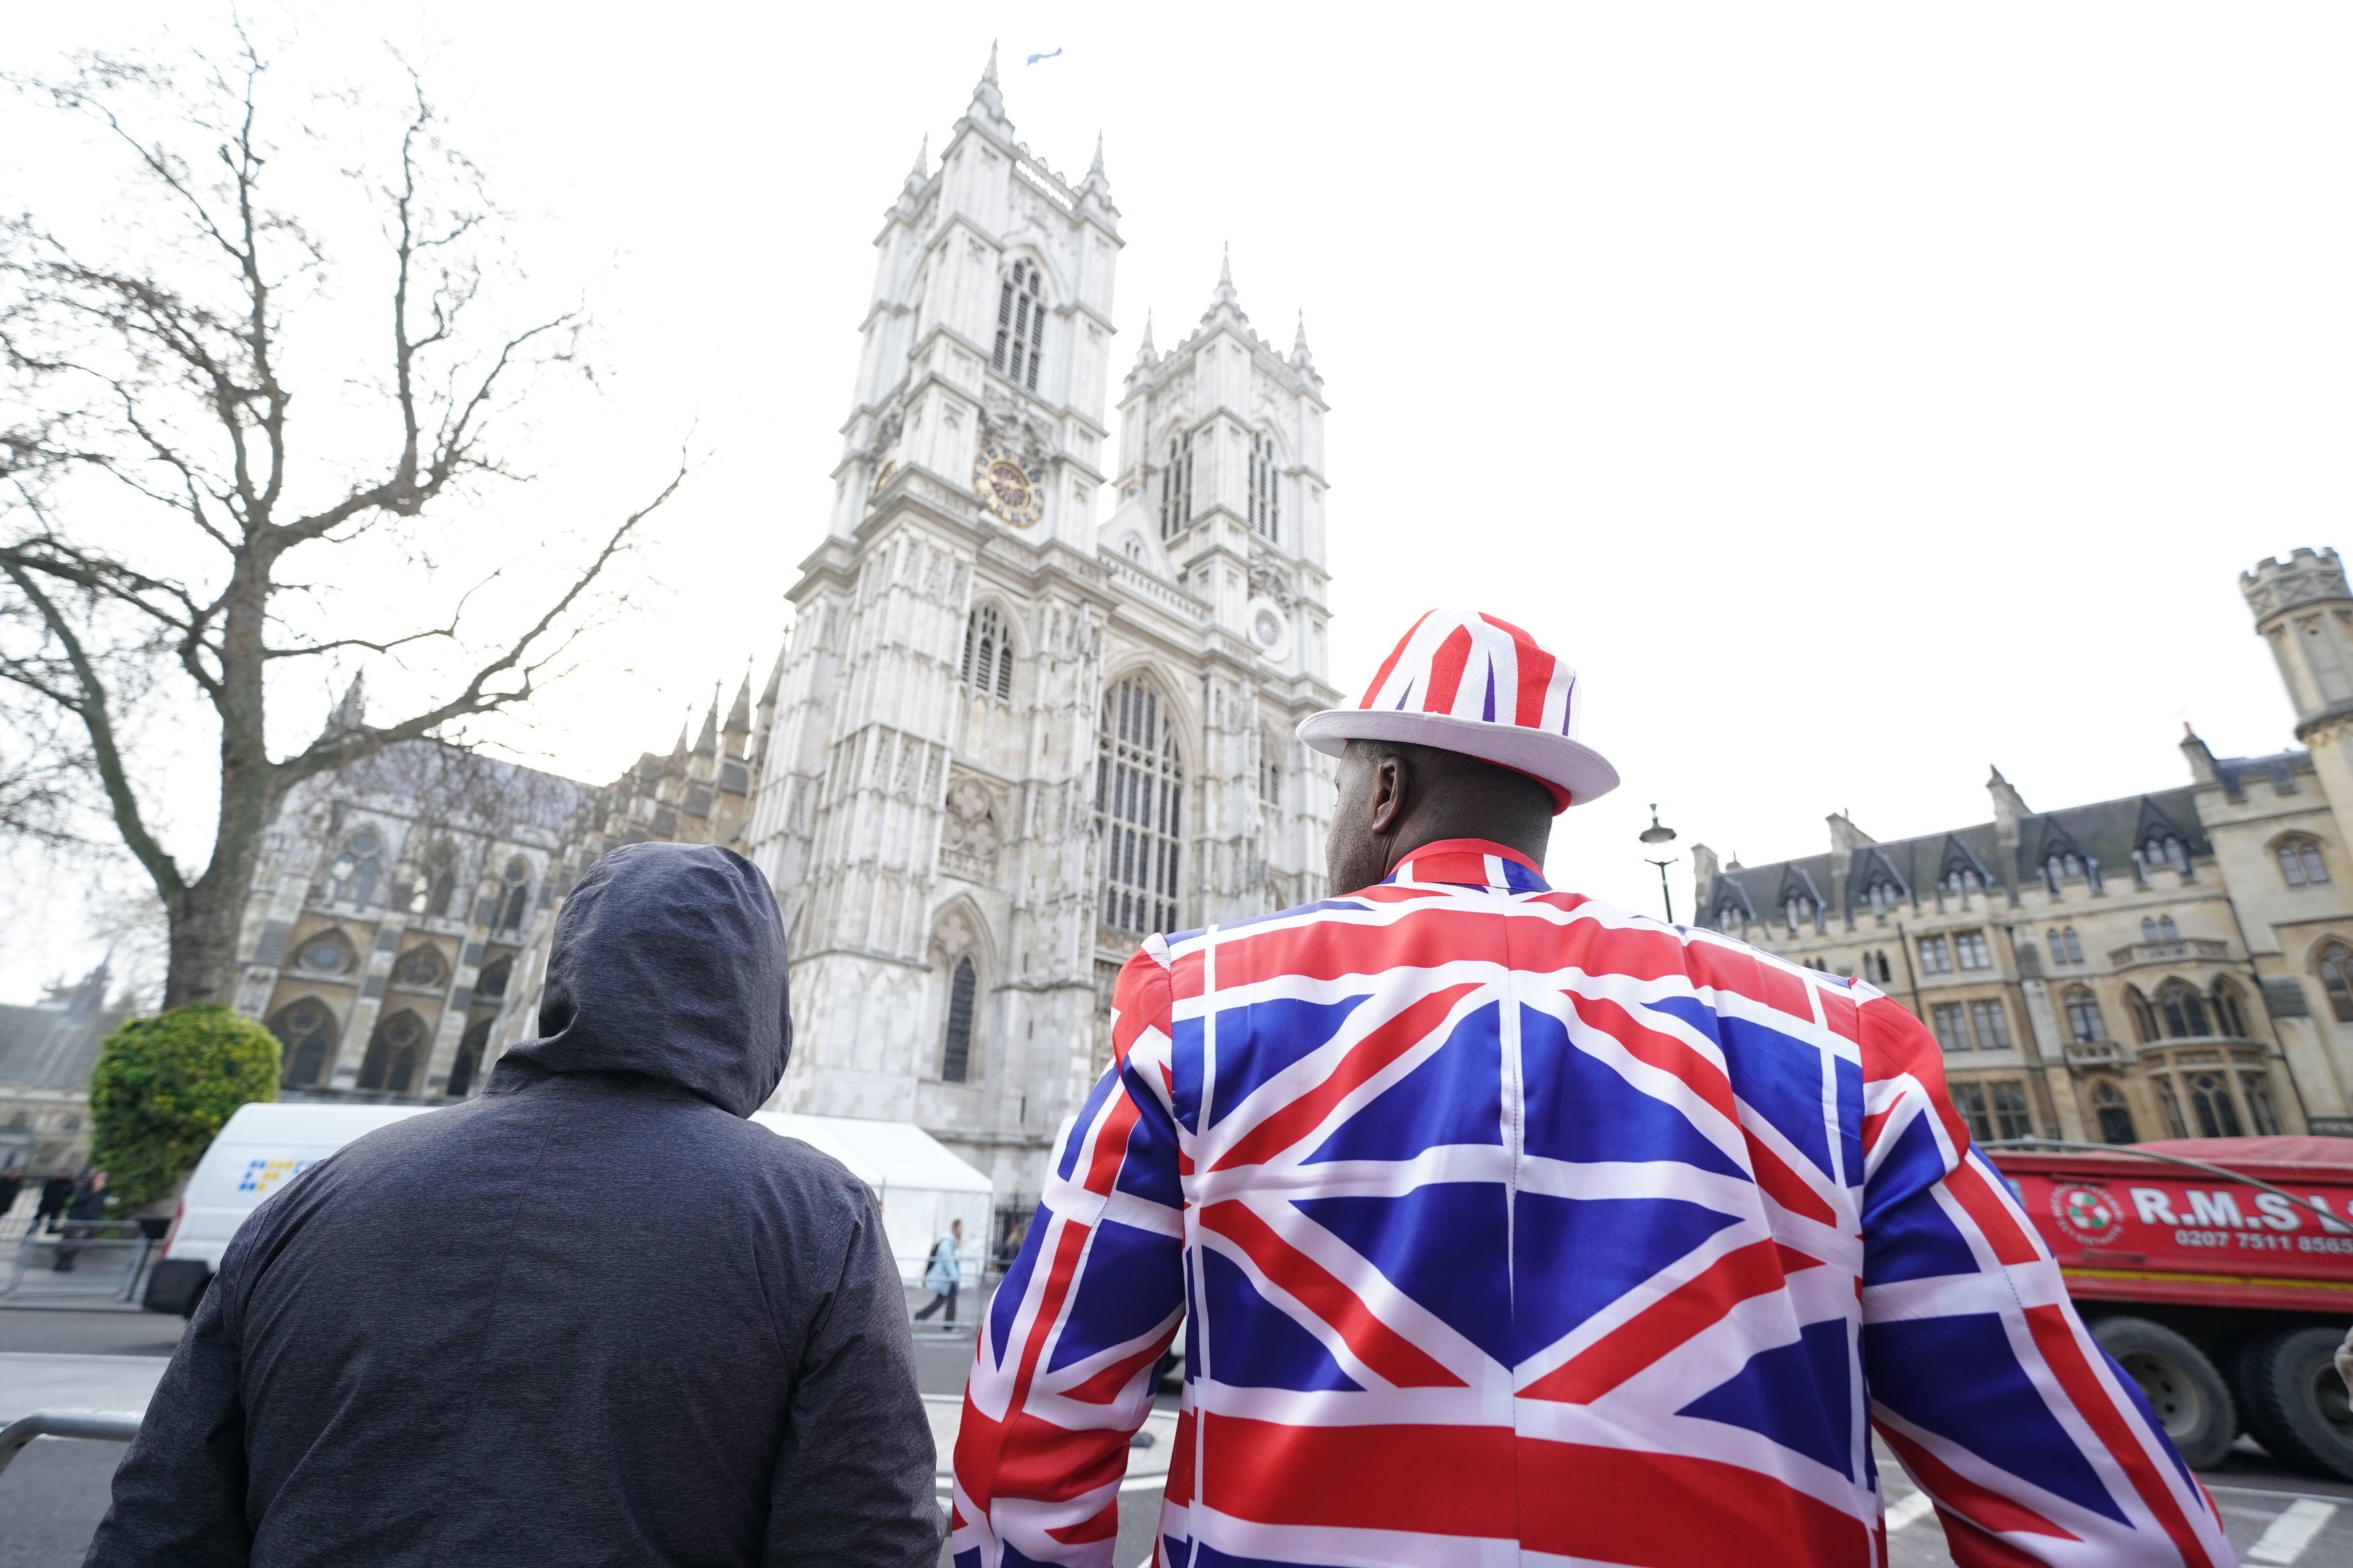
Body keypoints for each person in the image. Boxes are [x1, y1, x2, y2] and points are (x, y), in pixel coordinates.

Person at [953, 610, 2233, 1567]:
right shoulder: (1840, 1049)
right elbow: (2104, 1518)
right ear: (1547, 807)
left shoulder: (1207, 1009)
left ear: (1385, 789)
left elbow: (1028, 1452)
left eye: (1350, 785)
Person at [87, 842, 941, 1568]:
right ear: (757, 1003)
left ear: (570, 972)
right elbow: (865, 1537)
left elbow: (163, 1519)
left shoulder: (318, 1190)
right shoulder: (816, 1215)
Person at [50, 1167, 108, 1270]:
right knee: (69, 1242)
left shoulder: (102, 1193)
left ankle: (69, 1263)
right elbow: (78, 1201)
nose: (101, 1184)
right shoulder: (85, 1190)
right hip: (78, 1219)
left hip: (89, 1220)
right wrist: (93, 1193)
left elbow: (99, 1207)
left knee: (78, 1243)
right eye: (99, 1182)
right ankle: (61, 1263)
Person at [913, 1218, 963, 1325]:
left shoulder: (953, 1241)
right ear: (956, 1227)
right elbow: (947, 1260)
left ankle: (947, 1324)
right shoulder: (948, 1242)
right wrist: (954, 1275)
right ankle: (920, 1317)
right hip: (947, 1278)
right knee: (941, 1301)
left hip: (949, 1278)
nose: (963, 1229)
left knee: (948, 1300)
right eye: (961, 1227)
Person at [35, 1167, 73, 1233]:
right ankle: (32, 1230)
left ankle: (50, 1231)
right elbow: (45, 1191)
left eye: (65, 1173)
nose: (62, 1174)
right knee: (38, 1218)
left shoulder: (69, 1184)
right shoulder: (52, 1182)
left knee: (53, 1220)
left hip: (57, 1206)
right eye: (62, 1173)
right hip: (46, 1204)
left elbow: (69, 1194)